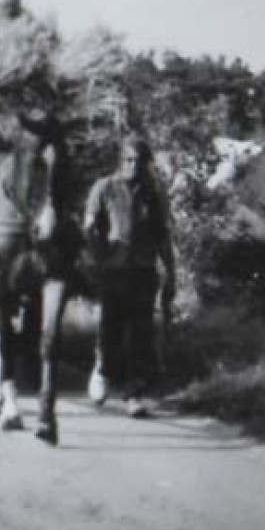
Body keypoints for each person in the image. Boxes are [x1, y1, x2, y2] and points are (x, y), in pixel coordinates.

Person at [83, 136, 177, 418]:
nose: (133, 166)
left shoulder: (153, 192)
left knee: (140, 334)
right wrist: (99, 257)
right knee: (110, 330)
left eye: (138, 160)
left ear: (147, 163)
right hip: (113, 270)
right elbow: (89, 228)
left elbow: (163, 235)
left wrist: (170, 271)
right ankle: (102, 371)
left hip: (142, 271)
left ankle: (133, 394)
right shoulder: (104, 188)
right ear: (120, 160)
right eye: (128, 160)